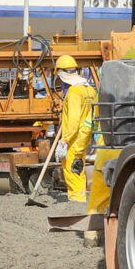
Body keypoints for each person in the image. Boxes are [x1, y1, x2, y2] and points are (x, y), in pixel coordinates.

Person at [53, 54, 98, 203]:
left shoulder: (73, 92)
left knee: (72, 172)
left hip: (72, 140)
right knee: (78, 169)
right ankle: (81, 199)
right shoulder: (90, 90)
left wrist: (64, 140)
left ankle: (75, 201)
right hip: (84, 139)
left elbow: (73, 120)